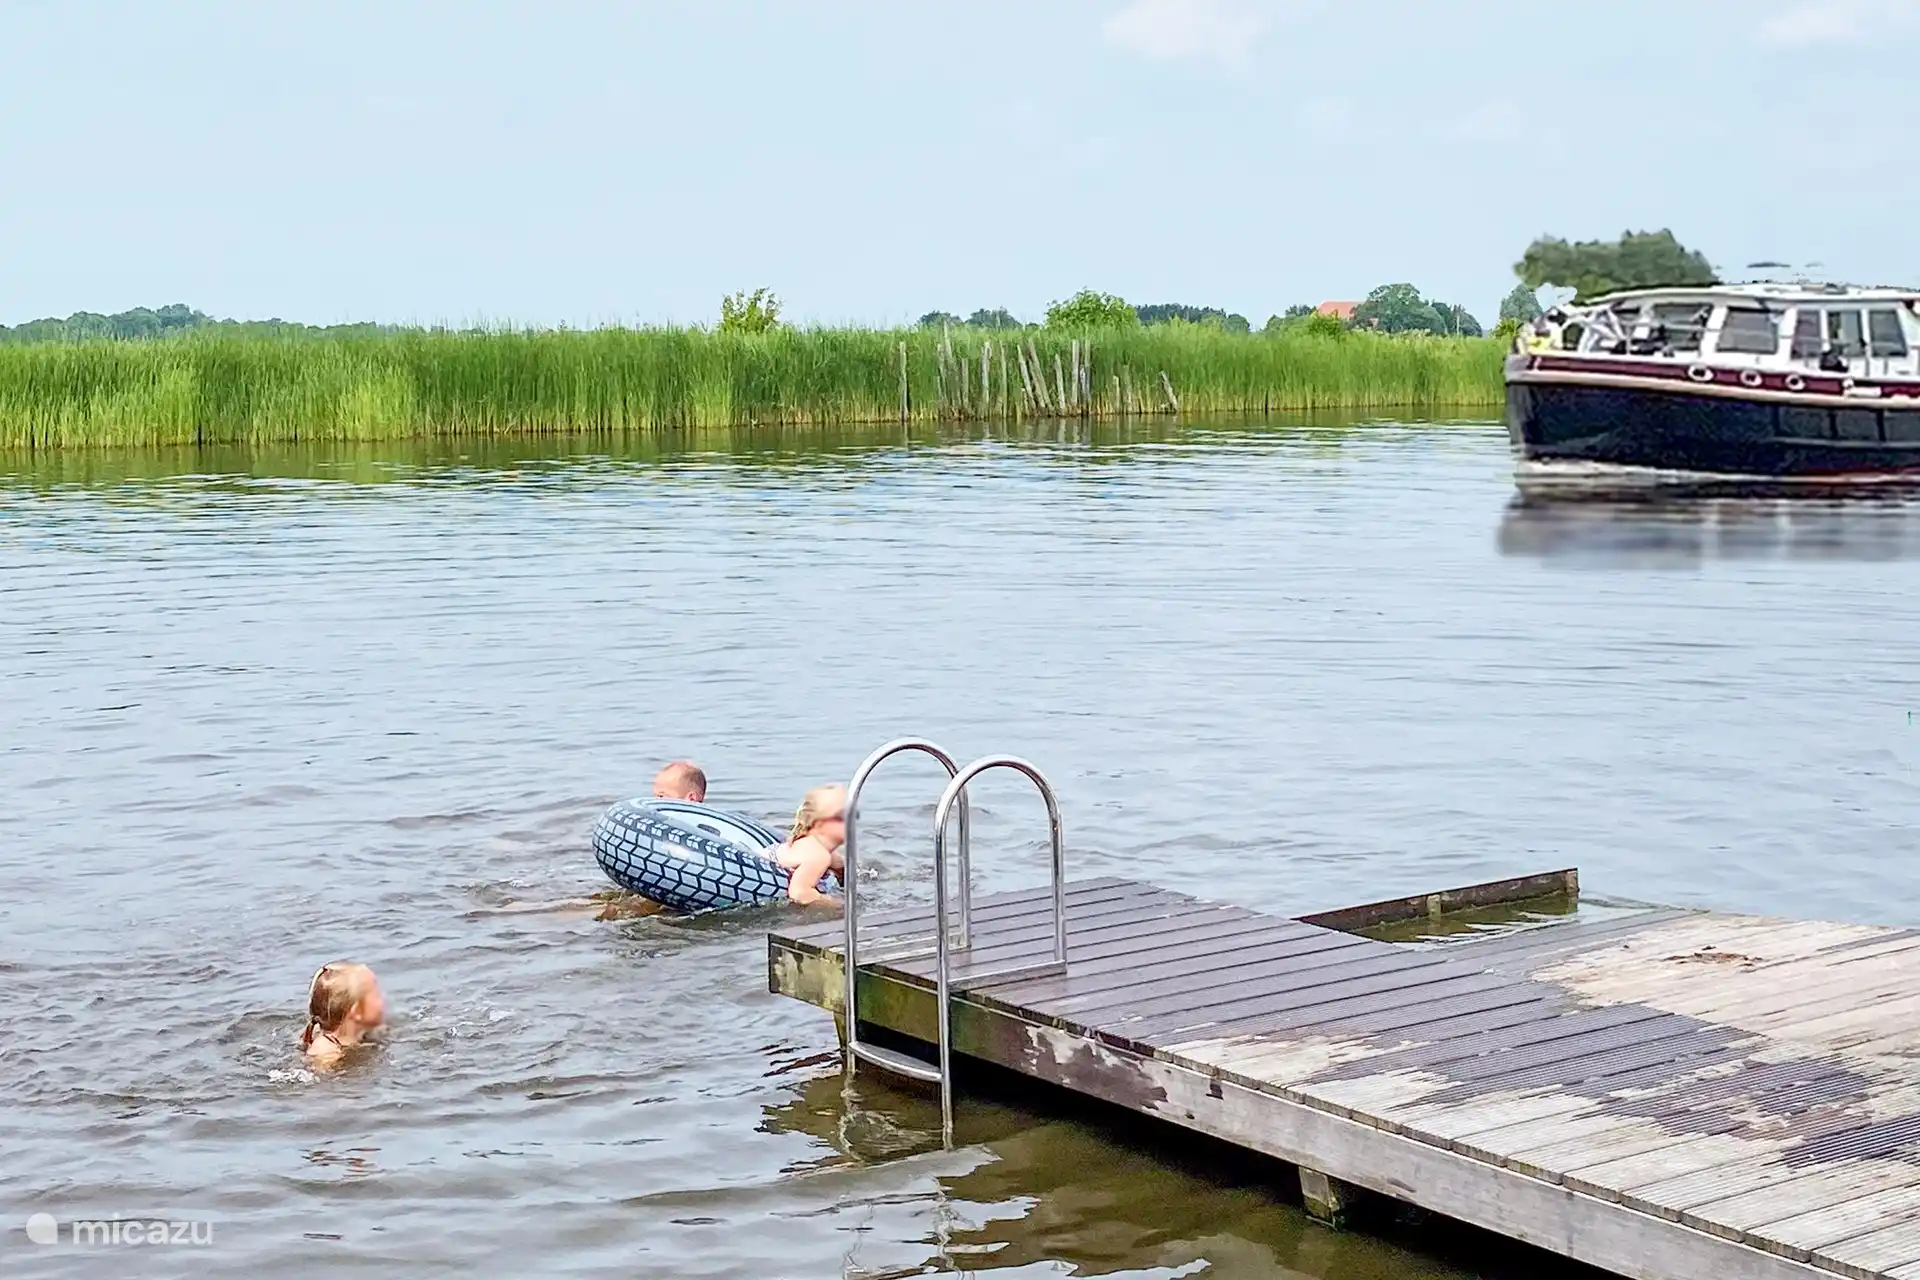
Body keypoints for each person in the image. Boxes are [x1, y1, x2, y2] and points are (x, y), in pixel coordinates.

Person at [301, 962, 387, 1066]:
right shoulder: (326, 1053)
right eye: (377, 995)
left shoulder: (368, 1034)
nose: (383, 998)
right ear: (356, 1011)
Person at [773, 784, 846, 906]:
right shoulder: (818, 855)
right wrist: (840, 905)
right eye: (840, 818)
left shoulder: (823, 851)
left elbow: (840, 867)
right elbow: (799, 893)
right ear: (818, 824)